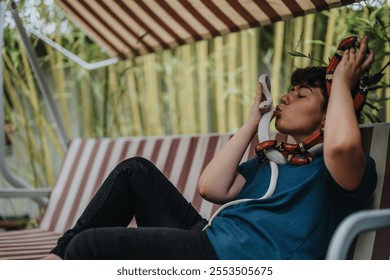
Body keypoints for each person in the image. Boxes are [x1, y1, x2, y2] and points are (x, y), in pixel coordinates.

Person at [42, 35, 376, 260]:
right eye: (290, 90)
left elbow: (342, 145)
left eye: (302, 95)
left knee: (91, 248)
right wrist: (252, 121)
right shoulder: (273, 159)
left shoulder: (342, 167)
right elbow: (211, 187)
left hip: (236, 260)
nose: (286, 97)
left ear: (328, 114)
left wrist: (341, 85)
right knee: (135, 170)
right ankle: (54, 259)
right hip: (210, 240)